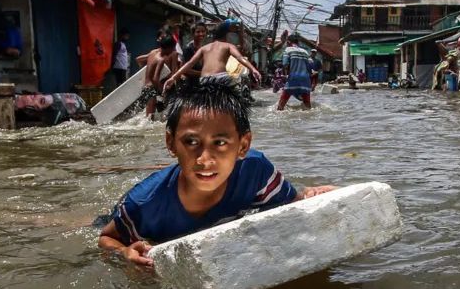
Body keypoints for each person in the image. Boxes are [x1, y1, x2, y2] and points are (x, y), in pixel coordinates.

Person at [97, 78, 336, 266]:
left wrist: (311, 197)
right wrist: (125, 252)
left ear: (243, 145)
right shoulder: (143, 204)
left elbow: (288, 208)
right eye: (191, 142)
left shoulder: (256, 172)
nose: (205, 160)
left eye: (220, 143)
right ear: (171, 144)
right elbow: (106, 238)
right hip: (125, 215)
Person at [164, 23, 261, 89]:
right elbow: (240, 58)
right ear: (226, 36)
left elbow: (189, 63)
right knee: (237, 87)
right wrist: (253, 69)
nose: (201, 34)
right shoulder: (228, 46)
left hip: (204, 80)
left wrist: (173, 77)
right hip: (220, 78)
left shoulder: (204, 48)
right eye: (198, 32)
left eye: (203, 32)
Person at [136, 37, 180, 118]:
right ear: (168, 48)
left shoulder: (152, 53)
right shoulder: (161, 60)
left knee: (148, 116)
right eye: (173, 49)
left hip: (145, 87)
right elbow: (156, 79)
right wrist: (161, 93)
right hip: (152, 88)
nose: (173, 51)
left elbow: (139, 59)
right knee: (150, 118)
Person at [277, 35, 313, 111]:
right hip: (305, 81)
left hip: (293, 79)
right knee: (308, 107)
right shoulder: (305, 52)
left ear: (288, 42)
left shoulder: (288, 50)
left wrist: (285, 75)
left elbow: (285, 64)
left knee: (281, 106)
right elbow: (310, 66)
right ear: (298, 42)